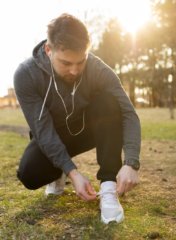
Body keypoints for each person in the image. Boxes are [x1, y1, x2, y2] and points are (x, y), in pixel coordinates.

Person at [13, 13, 141, 224]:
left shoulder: (98, 68)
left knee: (109, 102)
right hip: (52, 133)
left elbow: (128, 113)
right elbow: (42, 130)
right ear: (48, 50)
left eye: (80, 62)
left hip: (85, 129)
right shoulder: (26, 75)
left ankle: (108, 188)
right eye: (66, 63)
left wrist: (132, 163)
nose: (74, 70)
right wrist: (72, 172)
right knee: (29, 174)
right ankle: (58, 173)